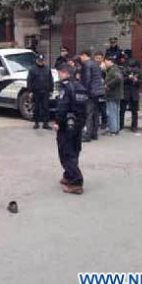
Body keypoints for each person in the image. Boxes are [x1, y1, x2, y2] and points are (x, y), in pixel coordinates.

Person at [54, 64, 88, 195]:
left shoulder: (66, 87)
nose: (59, 75)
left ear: (65, 73)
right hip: (78, 123)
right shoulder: (81, 87)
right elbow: (85, 107)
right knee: (74, 150)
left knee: (66, 152)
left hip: (66, 124)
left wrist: (57, 121)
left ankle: (76, 182)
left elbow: (62, 106)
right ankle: (68, 175)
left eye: (60, 73)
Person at [79, 50, 105, 142]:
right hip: (97, 92)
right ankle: (94, 133)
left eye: (81, 56)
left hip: (90, 92)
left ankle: (87, 135)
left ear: (85, 55)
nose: (80, 59)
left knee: (88, 113)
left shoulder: (87, 64)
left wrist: (84, 91)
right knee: (95, 113)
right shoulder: (95, 64)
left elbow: (87, 79)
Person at [27, 54, 54, 130]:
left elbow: (50, 80)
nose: (41, 62)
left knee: (46, 108)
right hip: (36, 91)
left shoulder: (47, 69)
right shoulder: (32, 69)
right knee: (36, 108)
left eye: (42, 61)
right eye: (39, 61)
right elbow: (29, 81)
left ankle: (46, 124)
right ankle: (36, 123)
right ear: (36, 61)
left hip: (45, 91)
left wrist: (51, 90)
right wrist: (30, 91)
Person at [103, 55, 124, 136]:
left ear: (110, 61)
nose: (104, 63)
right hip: (115, 94)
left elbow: (118, 78)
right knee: (115, 112)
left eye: (105, 62)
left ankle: (113, 130)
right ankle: (116, 128)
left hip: (112, 94)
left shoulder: (113, 69)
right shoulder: (113, 69)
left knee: (111, 112)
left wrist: (108, 85)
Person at [121, 59, 142, 132]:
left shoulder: (139, 72)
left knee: (134, 111)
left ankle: (134, 126)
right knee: (122, 110)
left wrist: (136, 80)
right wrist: (128, 78)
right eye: (130, 67)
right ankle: (121, 125)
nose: (131, 69)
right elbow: (122, 80)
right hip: (126, 93)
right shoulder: (124, 71)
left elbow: (141, 82)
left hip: (134, 93)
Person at [94, 51, 108, 130]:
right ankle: (96, 123)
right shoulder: (92, 66)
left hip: (103, 91)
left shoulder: (105, 67)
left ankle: (104, 123)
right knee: (95, 108)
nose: (98, 60)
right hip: (95, 90)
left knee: (103, 109)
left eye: (100, 58)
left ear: (102, 59)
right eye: (96, 58)